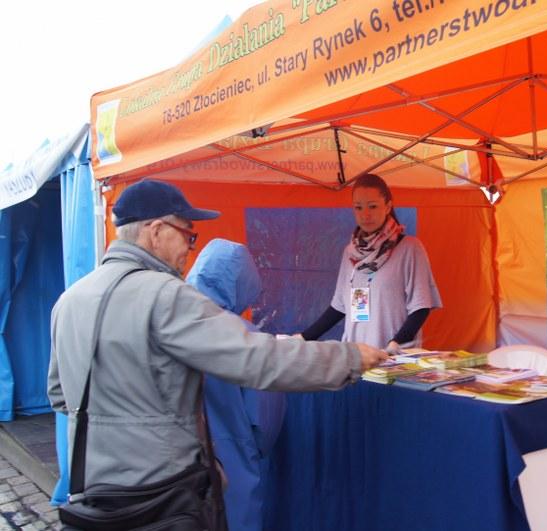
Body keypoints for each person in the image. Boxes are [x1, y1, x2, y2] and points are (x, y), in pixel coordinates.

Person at [47, 179, 386, 525]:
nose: (190, 249)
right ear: (156, 231)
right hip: (159, 494)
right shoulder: (166, 295)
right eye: (188, 235)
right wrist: (349, 358)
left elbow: (59, 395)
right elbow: (257, 359)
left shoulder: (70, 300)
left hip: (93, 492)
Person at [186, 238, 286, 531]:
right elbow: (266, 422)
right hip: (234, 464)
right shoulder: (248, 338)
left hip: (175, 469)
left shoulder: (169, 325)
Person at [301, 173, 442, 352]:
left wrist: (395, 344)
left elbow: (421, 306)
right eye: (358, 208)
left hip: (394, 358)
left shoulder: (410, 248)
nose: (365, 214)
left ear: (388, 206)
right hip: (357, 357)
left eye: (373, 206)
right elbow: (339, 307)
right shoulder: (350, 253)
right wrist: (303, 337)